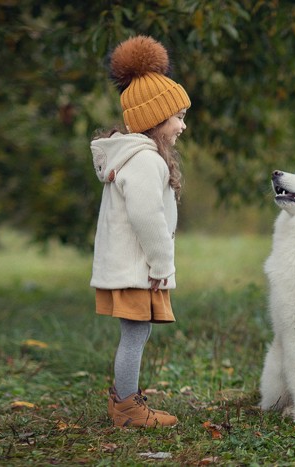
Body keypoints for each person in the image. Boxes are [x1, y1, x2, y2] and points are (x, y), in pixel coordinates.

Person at [89, 35, 190, 428]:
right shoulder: (146, 161)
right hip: (139, 266)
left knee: (137, 332)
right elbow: (147, 218)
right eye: (177, 116)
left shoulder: (132, 157)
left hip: (131, 264)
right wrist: (163, 263)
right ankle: (127, 408)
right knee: (135, 333)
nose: (182, 125)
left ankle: (125, 400)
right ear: (154, 119)